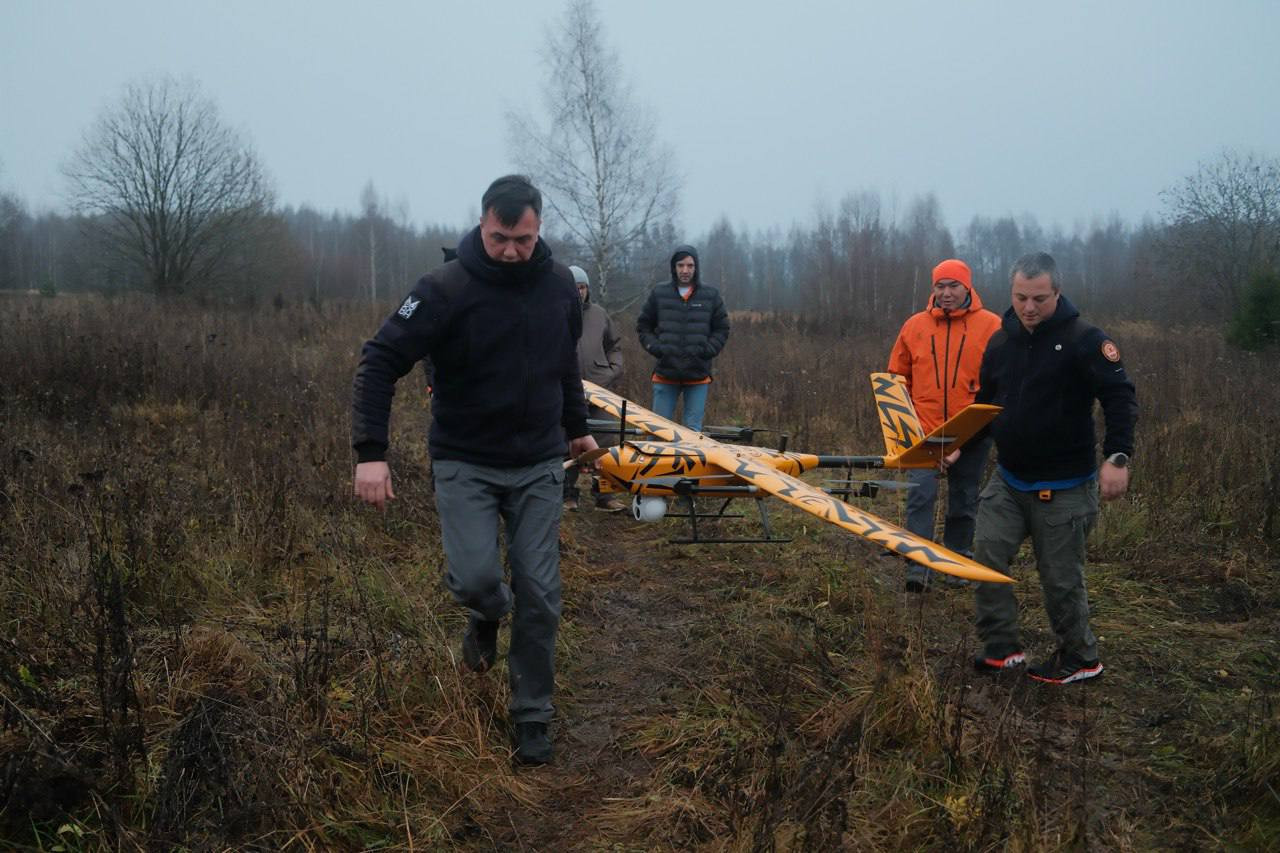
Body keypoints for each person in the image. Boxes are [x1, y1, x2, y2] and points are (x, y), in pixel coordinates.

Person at [352, 175, 598, 764]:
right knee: (474, 579)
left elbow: (564, 363)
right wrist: (370, 454)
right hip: (466, 460)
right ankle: (486, 612)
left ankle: (532, 715)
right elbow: (379, 361)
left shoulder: (559, 287)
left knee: (541, 593)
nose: (511, 251)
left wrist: (577, 425)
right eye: (499, 239)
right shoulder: (444, 288)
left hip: (539, 462)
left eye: (523, 239)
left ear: (538, 228)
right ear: (483, 223)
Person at [968, 252, 1136, 684]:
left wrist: (1117, 457)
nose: (1028, 307)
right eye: (1020, 297)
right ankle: (1002, 649)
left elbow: (1119, 396)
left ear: (1057, 293)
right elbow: (984, 405)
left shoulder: (1085, 340)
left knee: (1060, 579)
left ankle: (1081, 658)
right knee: (985, 555)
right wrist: (953, 448)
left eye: (1039, 299)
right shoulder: (1000, 342)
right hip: (1009, 479)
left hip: (1065, 486)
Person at [887, 259, 1001, 593]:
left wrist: (964, 440)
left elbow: (1000, 383)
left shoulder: (992, 326)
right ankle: (918, 566)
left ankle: (956, 560)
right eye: (940, 286)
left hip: (972, 432)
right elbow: (897, 380)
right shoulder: (914, 326)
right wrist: (908, 430)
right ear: (933, 288)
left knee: (964, 499)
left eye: (954, 286)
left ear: (968, 287)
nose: (947, 293)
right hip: (923, 433)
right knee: (919, 497)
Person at [636, 245, 730, 432]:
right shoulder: (659, 293)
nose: (685, 270)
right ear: (674, 267)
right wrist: (657, 348)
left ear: (696, 267)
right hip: (665, 374)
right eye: (680, 265)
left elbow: (722, 328)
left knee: (692, 433)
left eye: (690, 265)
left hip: (698, 375)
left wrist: (707, 350)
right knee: (658, 432)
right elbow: (643, 326)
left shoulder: (710, 295)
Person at [564, 264, 626, 512]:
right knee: (565, 441)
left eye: (582, 287)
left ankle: (605, 496)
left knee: (605, 441)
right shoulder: (555, 312)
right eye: (574, 287)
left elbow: (615, 346)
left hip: (601, 391)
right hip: (568, 391)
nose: (578, 292)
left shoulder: (600, 314)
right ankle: (568, 495)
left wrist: (612, 371)